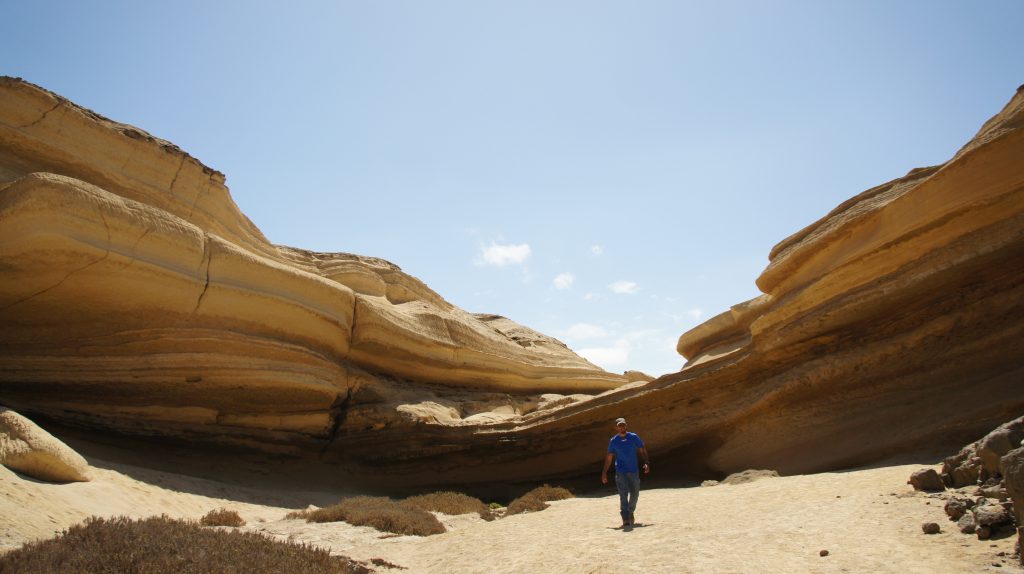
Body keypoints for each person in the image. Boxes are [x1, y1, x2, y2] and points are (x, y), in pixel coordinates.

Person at [601, 417, 650, 526]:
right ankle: (625, 517)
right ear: (616, 427)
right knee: (623, 494)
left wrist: (646, 463)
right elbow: (609, 457)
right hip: (621, 472)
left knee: (635, 493)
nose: (621, 427)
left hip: (633, 471)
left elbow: (642, 449)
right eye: (619, 425)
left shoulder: (633, 437)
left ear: (626, 426)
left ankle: (630, 511)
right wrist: (604, 472)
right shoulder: (614, 441)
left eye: (623, 425)